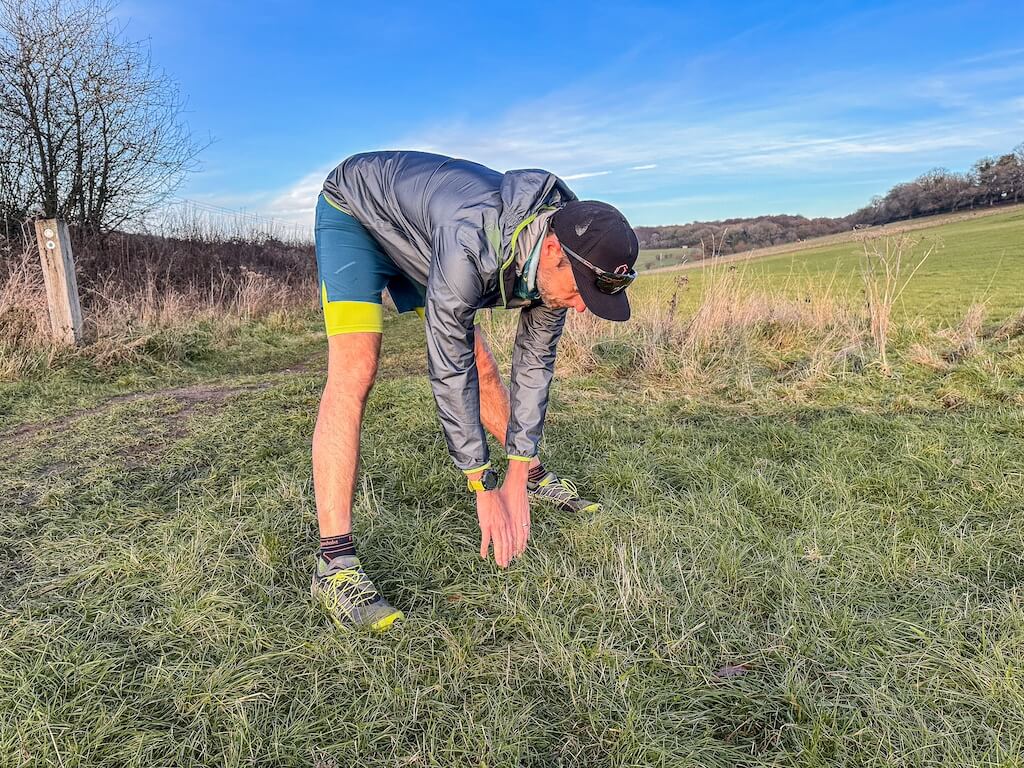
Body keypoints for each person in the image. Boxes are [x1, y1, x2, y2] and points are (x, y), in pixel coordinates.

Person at [310, 151, 638, 630]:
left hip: (425, 237)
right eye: (581, 291)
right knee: (355, 368)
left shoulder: (565, 242)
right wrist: (482, 481)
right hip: (356, 213)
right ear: (551, 252)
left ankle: (535, 476)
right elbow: (448, 365)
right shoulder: (471, 240)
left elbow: (534, 366)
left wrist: (518, 470)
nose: (581, 308)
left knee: (484, 362)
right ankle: (334, 565)